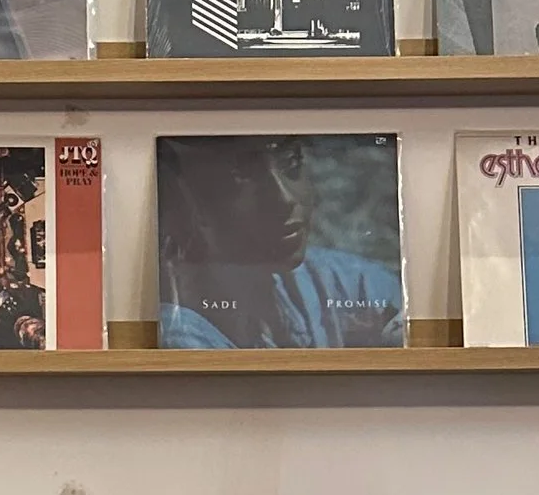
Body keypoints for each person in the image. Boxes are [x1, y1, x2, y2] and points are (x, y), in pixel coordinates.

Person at [157, 139, 404, 350]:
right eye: (241, 176)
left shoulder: (348, 282)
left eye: (291, 164)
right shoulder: (177, 334)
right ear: (183, 200)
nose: (285, 198)